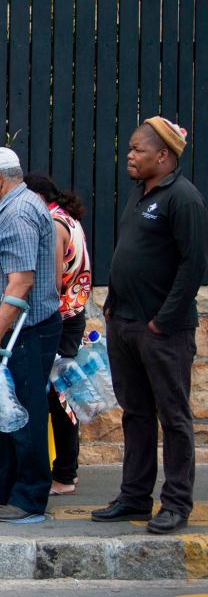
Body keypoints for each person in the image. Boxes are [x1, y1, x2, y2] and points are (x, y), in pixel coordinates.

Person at [91, 117, 206, 535]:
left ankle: (175, 504)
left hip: (162, 332)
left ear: (163, 155)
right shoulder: (140, 196)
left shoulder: (184, 199)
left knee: (173, 418)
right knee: (135, 414)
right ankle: (134, 496)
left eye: (138, 150)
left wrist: (164, 321)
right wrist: (113, 310)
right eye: (130, 149)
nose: (130, 156)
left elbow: (194, 265)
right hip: (124, 325)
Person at [0, 147, 62, 523]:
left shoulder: (18, 213)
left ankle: (29, 496)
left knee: (23, 412)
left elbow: (21, 282)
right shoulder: (14, 209)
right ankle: (0, 485)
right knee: (3, 408)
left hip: (26, 331)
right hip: (16, 331)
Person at [24, 172, 93, 496]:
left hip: (60, 318)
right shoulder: (68, 219)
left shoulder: (53, 225)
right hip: (74, 315)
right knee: (61, 395)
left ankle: (64, 475)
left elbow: (51, 282)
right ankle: (66, 471)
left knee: (58, 398)